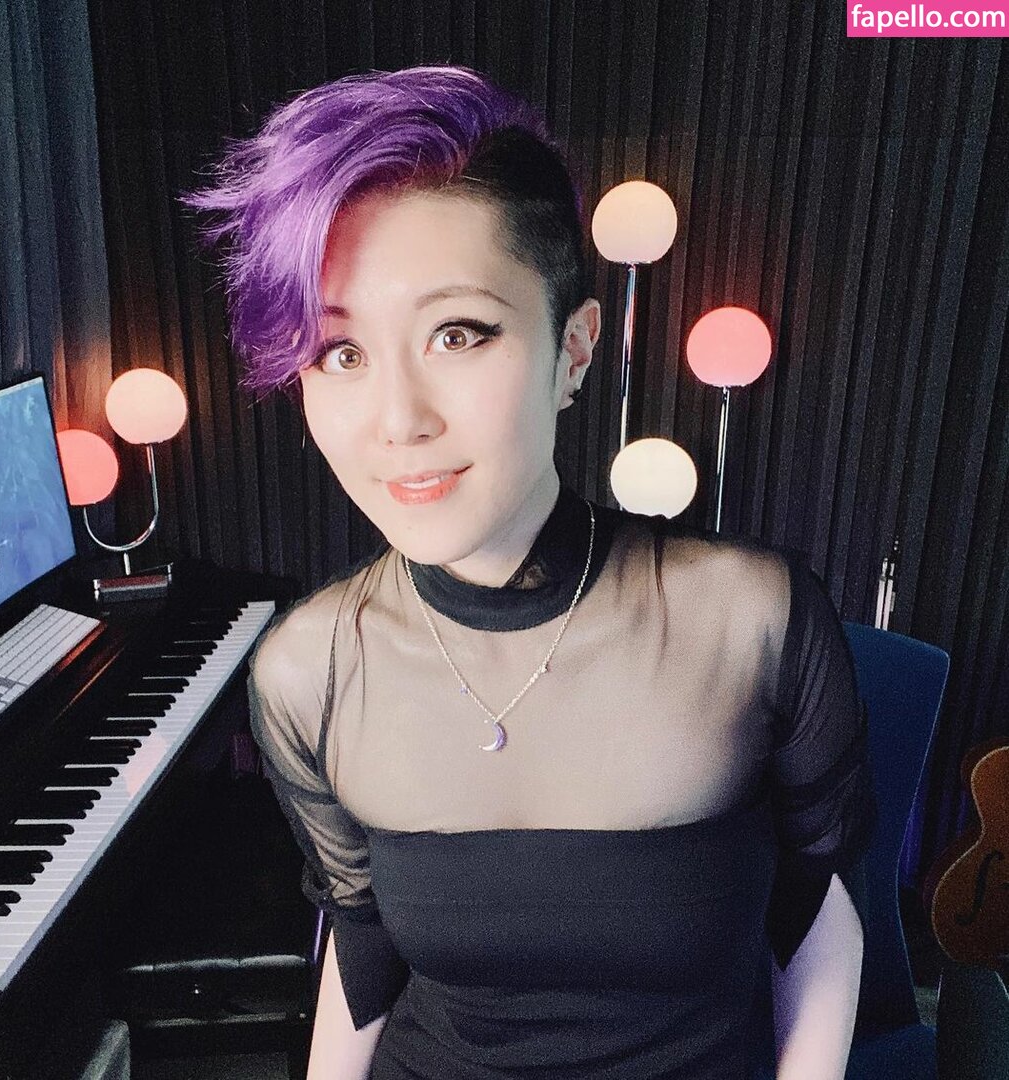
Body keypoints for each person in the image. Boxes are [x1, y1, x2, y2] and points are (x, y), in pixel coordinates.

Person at [189, 65, 876, 1080]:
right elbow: (362, 943)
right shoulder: (306, 669)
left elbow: (815, 906)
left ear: (575, 349)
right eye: (339, 353)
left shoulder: (753, 622)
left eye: (457, 334)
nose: (397, 421)